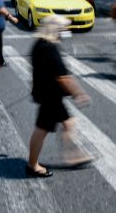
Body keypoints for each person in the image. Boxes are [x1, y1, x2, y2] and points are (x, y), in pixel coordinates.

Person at [27, 15, 92, 178]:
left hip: (48, 94)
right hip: (50, 96)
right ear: (54, 29)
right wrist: (79, 93)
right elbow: (63, 78)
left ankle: (72, 156)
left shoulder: (39, 44)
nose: (65, 32)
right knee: (41, 130)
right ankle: (32, 165)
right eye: (62, 29)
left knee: (69, 124)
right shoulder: (49, 48)